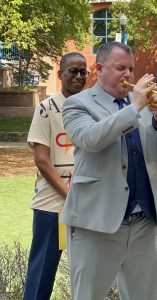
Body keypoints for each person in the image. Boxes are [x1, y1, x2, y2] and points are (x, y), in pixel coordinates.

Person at [60, 41, 157, 300]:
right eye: (120, 68)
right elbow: (91, 138)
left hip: (143, 223)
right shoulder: (77, 104)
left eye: (131, 69)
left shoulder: (147, 105)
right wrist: (134, 108)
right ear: (100, 69)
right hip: (97, 224)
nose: (128, 75)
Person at [24, 52, 88, 300]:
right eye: (73, 71)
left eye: (83, 72)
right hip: (54, 205)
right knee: (41, 274)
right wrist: (70, 196)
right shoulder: (46, 109)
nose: (79, 76)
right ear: (59, 73)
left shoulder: (93, 107)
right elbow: (41, 159)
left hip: (89, 204)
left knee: (88, 274)